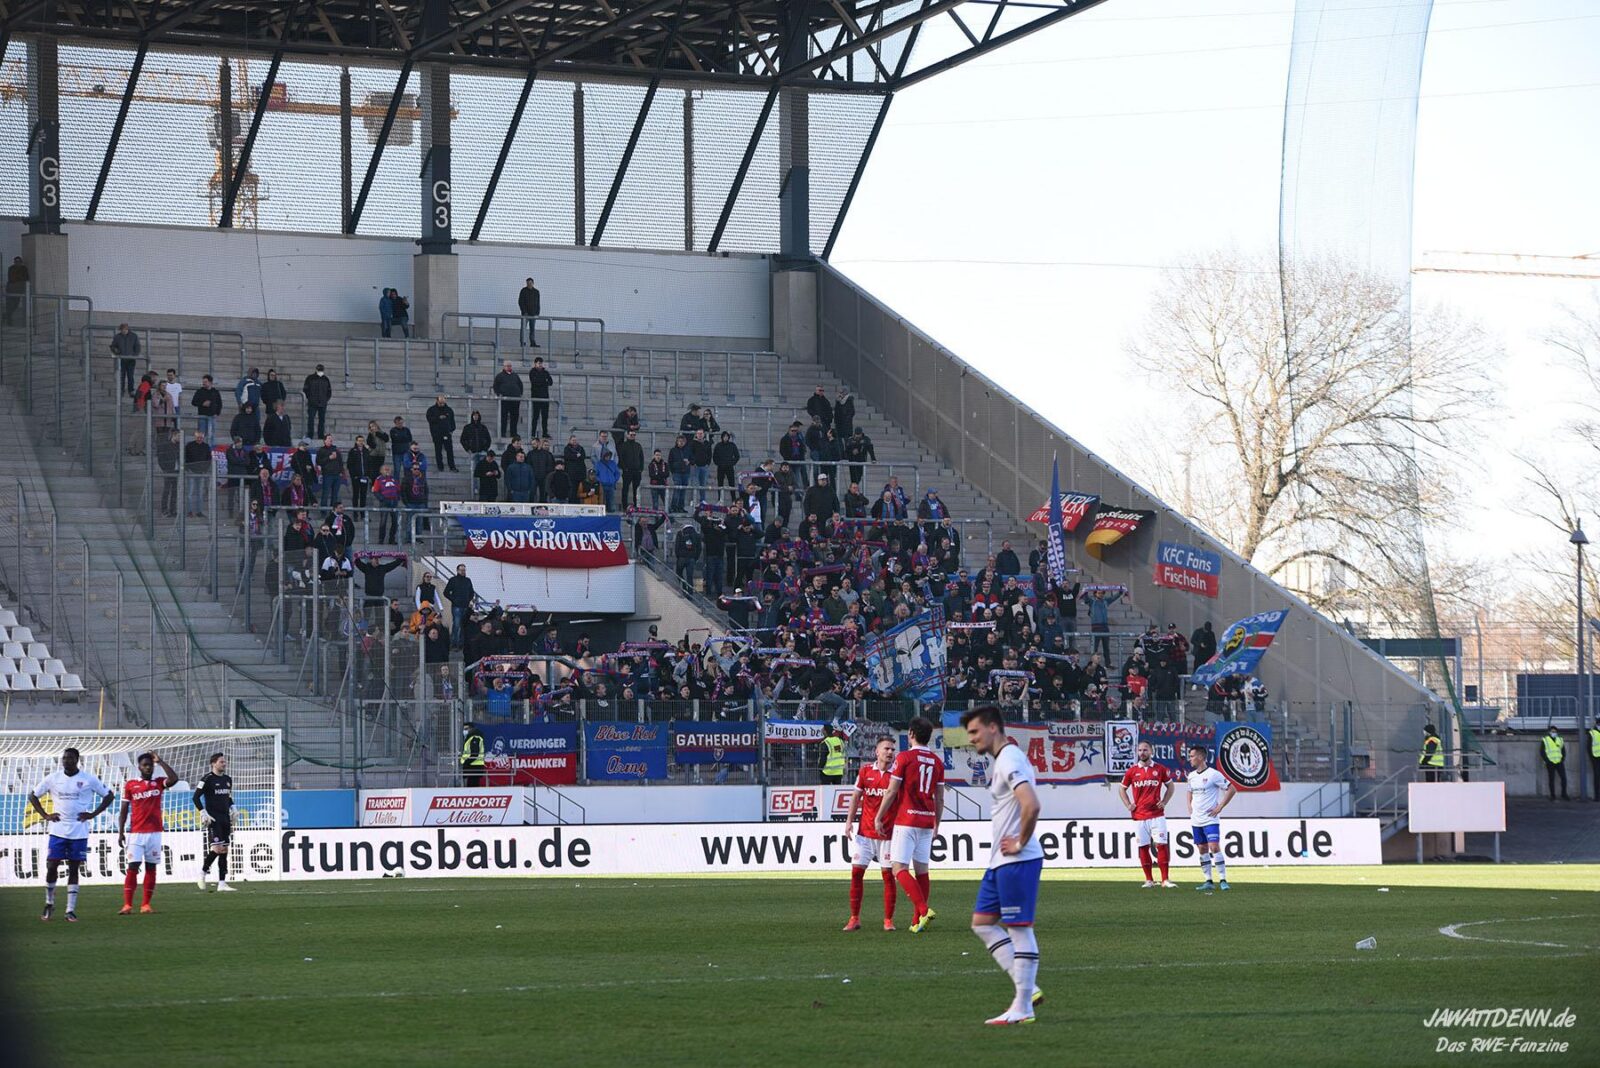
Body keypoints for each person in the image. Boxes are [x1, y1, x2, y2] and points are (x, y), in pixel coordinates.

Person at [962, 706, 1045, 1026]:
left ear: (993, 728)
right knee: (982, 922)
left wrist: (1021, 842)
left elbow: (1031, 804)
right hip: (1001, 862)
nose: (971, 739)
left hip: (1017, 860)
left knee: (1019, 928)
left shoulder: (1009, 759)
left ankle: (1023, 1005)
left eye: (974, 732)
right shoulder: (1004, 760)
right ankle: (1028, 987)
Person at [29, 747, 114, 921]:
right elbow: (32, 795)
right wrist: (45, 815)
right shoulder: (53, 778)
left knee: (74, 868)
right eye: (64, 758)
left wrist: (92, 814)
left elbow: (109, 795)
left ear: (77, 759)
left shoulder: (88, 779)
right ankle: (49, 903)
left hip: (79, 831)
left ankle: (70, 909)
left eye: (70, 758)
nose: (66, 760)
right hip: (58, 830)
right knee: (52, 866)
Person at [875, 716, 943, 933]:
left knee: (899, 868)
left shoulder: (904, 758)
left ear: (911, 734)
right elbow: (939, 798)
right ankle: (916, 922)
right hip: (926, 819)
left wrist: (879, 816)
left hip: (907, 819)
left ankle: (923, 910)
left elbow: (892, 790)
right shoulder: (937, 762)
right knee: (922, 870)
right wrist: (937, 824)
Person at [843, 736, 899, 932]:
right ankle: (854, 918)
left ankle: (888, 920)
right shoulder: (865, 771)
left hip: (888, 835)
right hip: (865, 833)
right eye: (886, 749)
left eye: (893, 749)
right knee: (856, 873)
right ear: (877, 752)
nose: (890, 752)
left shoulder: (897, 775)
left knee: (888, 876)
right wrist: (849, 822)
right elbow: (856, 797)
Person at [117, 750, 178, 915]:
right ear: (139, 767)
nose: (148, 768)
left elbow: (174, 779)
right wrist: (121, 832)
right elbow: (123, 810)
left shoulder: (159, 783)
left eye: (150, 765)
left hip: (155, 833)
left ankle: (145, 905)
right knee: (133, 867)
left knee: (151, 868)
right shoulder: (130, 785)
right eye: (145, 765)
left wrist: (160, 761)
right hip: (136, 833)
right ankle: (127, 905)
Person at [1119, 740, 1177, 888]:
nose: (1142, 753)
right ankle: (1149, 880)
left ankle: (1165, 880)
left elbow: (1170, 786)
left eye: (1145, 750)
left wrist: (1164, 801)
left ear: (1151, 751)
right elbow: (1121, 789)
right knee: (1143, 847)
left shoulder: (1160, 769)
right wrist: (1128, 805)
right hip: (1139, 816)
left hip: (1157, 814)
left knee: (1161, 845)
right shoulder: (1132, 771)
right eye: (1139, 750)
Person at [1187, 743, 1236, 891]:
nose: (1190, 759)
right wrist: (1189, 806)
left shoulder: (1214, 774)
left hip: (1210, 818)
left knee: (1214, 846)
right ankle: (1208, 880)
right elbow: (1189, 791)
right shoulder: (1191, 776)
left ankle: (1223, 879)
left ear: (1201, 757)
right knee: (1202, 848)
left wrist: (1220, 806)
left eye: (1192, 756)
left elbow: (1231, 789)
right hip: (1196, 819)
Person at [194, 752, 238, 891]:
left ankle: (222, 883)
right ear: (213, 763)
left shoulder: (227, 779)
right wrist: (203, 812)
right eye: (221, 762)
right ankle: (202, 872)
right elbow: (195, 797)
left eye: (224, 762)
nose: (224, 764)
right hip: (213, 819)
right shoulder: (207, 779)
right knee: (217, 849)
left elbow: (228, 797)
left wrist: (234, 807)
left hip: (225, 818)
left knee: (224, 850)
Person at [444, 564, 475, 647]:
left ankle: (461, 644)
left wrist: (469, 600)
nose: (463, 572)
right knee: (456, 625)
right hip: (456, 607)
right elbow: (446, 592)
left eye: (464, 570)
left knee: (463, 625)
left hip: (466, 606)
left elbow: (472, 592)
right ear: (457, 571)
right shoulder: (453, 580)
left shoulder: (468, 580)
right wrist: (454, 599)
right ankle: (454, 643)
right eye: (461, 570)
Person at [425, 394, 458, 472]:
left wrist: (451, 430)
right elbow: (430, 419)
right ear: (437, 401)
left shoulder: (449, 410)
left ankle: (452, 466)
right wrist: (438, 418)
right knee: (438, 450)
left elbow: (452, 422)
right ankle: (440, 466)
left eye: (443, 402)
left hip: (447, 433)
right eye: (440, 402)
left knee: (449, 450)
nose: (442, 404)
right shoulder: (431, 410)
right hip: (437, 434)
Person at [184, 430, 212, 517]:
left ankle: (199, 511)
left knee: (200, 493)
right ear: (195, 437)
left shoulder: (206, 446)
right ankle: (189, 511)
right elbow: (185, 458)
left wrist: (205, 470)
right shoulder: (189, 445)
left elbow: (209, 459)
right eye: (198, 437)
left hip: (201, 473)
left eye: (201, 437)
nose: (199, 439)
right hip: (191, 472)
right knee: (190, 493)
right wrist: (188, 469)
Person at [301, 364, 333, 438]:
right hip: (312, 403)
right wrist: (310, 398)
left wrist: (325, 400)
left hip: (322, 403)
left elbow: (329, 391)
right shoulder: (310, 378)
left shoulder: (326, 379)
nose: (320, 371)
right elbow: (305, 389)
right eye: (319, 370)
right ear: (316, 370)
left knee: (322, 420)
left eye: (321, 370)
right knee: (311, 419)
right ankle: (310, 434)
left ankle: (320, 435)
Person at [493, 360, 523, 437]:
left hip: (515, 400)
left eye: (510, 366)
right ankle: (503, 432)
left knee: (514, 417)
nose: (509, 367)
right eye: (507, 366)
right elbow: (495, 386)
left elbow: (520, 384)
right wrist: (499, 394)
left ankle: (513, 433)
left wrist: (520, 393)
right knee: (504, 417)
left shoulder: (515, 375)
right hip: (504, 400)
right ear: (504, 367)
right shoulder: (500, 376)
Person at [111, 323, 141, 396]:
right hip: (121, 359)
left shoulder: (134, 336)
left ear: (127, 329)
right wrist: (116, 351)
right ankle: (121, 390)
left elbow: (137, 346)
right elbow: (113, 346)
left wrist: (134, 355)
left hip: (131, 360)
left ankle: (131, 390)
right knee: (122, 376)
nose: (123, 331)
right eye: (121, 330)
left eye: (124, 329)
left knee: (130, 375)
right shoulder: (117, 337)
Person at [528, 356, 554, 439]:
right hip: (536, 397)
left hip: (545, 397)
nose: (540, 365)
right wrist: (544, 381)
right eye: (539, 363)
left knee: (545, 416)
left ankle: (545, 433)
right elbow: (535, 382)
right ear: (535, 364)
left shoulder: (545, 372)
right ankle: (533, 433)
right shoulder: (532, 372)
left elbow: (550, 382)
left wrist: (543, 381)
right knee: (535, 416)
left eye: (541, 363)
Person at [1542, 726, 1569, 801]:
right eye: (1552, 731)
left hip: (1559, 762)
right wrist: (1547, 760)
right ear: (1549, 732)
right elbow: (1542, 752)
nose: (1554, 733)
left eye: (1555, 731)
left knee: (1563, 778)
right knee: (1551, 779)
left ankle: (1564, 794)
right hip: (1550, 762)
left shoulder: (1560, 739)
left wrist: (1562, 759)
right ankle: (1552, 795)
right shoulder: (1545, 740)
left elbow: (1563, 750)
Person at [3, 255, 27, 326]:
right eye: (16, 262)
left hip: (18, 290)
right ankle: (8, 321)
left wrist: (19, 279)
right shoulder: (11, 268)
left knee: (15, 305)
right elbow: (11, 278)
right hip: (11, 290)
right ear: (14, 262)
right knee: (10, 306)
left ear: (21, 262)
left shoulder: (24, 268)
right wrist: (19, 278)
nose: (17, 263)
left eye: (19, 262)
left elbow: (25, 278)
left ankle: (5, 317)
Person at [518, 276, 542, 346]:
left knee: (532, 329)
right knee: (523, 329)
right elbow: (520, 302)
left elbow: (538, 303)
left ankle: (532, 342)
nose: (529, 284)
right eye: (528, 283)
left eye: (530, 283)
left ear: (533, 283)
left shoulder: (536, 292)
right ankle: (522, 342)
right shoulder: (523, 291)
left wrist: (537, 313)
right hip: (525, 314)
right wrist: (524, 311)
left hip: (533, 314)